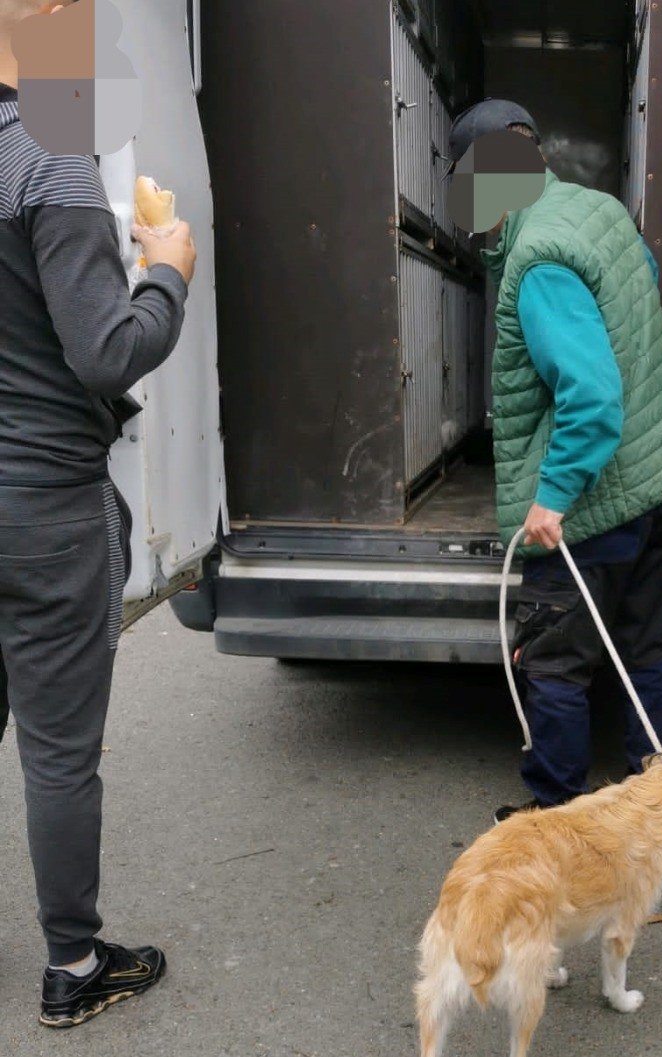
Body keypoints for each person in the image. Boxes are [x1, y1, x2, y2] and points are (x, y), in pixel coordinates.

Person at [0, 0, 196, 1028]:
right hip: (43, 505)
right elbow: (107, 351)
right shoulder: (49, 159)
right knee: (59, 751)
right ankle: (74, 966)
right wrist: (168, 271)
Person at [446, 100, 662, 822]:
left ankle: (555, 812)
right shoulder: (598, 212)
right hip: (653, 482)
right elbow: (641, 281)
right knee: (641, 648)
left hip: (593, 504)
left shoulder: (540, 258)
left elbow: (590, 397)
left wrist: (552, 496)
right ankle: (661, 804)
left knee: (555, 661)